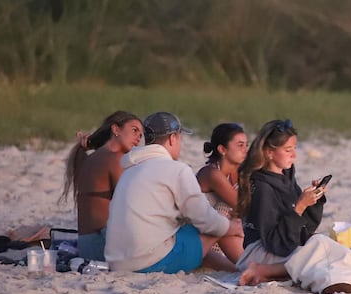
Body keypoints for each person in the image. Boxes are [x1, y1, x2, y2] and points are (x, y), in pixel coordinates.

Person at [105, 112, 244, 273]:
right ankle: (245, 268)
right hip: (149, 262)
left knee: (192, 231)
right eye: (180, 138)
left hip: (118, 263)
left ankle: (235, 269)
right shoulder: (177, 170)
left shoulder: (130, 170)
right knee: (218, 223)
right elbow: (206, 220)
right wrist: (232, 227)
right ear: (173, 138)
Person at [236, 118, 325, 266]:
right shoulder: (262, 187)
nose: (294, 155)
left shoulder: (286, 178)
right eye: (288, 150)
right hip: (260, 252)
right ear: (270, 153)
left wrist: (314, 199)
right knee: (318, 250)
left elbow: (305, 227)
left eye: (295, 148)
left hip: (281, 246)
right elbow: (275, 243)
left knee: (324, 244)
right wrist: (300, 206)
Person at [61, 111, 143, 260]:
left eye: (141, 135)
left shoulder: (92, 158)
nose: (138, 138)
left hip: (86, 245)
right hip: (103, 244)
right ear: (116, 129)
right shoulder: (115, 159)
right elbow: (132, 203)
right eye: (134, 130)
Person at [196, 122, 248, 264]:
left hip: (222, 235)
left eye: (246, 145)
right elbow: (242, 205)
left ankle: (247, 264)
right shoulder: (211, 173)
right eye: (240, 145)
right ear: (222, 149)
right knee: (226, 210)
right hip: (201, 239)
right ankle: (246, 265)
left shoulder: (237, 174)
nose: (245, 150)